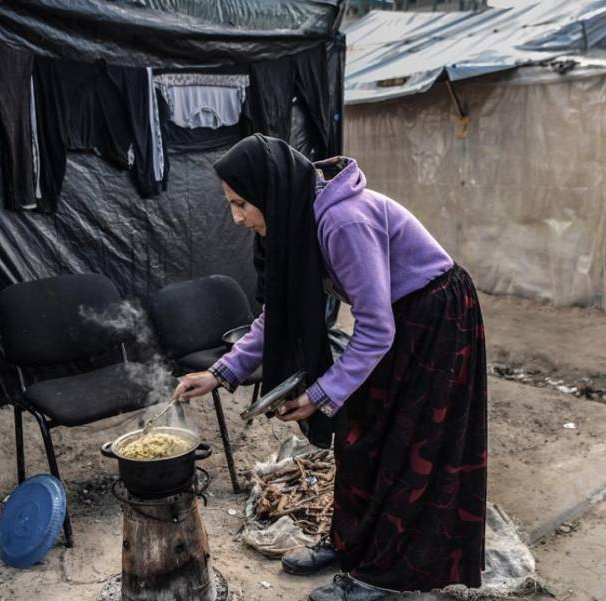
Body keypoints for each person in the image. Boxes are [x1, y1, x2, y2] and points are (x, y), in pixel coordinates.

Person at [172, 135, 488, 601]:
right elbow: (276, 315)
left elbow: (376, 328)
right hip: (397, 320)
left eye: (241, 204)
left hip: (434, 317)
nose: (238, 218)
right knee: (360, 437)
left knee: (406, 447)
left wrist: (321, 395)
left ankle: (382, 575)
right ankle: (347, 545)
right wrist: (220, 373)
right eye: (232, 204)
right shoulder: (297, 219)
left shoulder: (342, 222)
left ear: (270, 190)